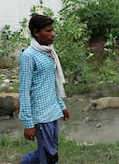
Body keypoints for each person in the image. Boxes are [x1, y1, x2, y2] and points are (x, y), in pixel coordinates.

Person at [18, 14, 70, 164]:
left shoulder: (48, 52)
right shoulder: (28, 56)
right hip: (40, 116)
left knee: (48, 151)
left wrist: (62, 106)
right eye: (48, 31)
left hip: (52, 111)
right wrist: (28, 123)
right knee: (50, 156)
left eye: (52, 30)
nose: (52, 34)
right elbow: (24, 91)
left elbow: (50, 84)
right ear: (36, 33)